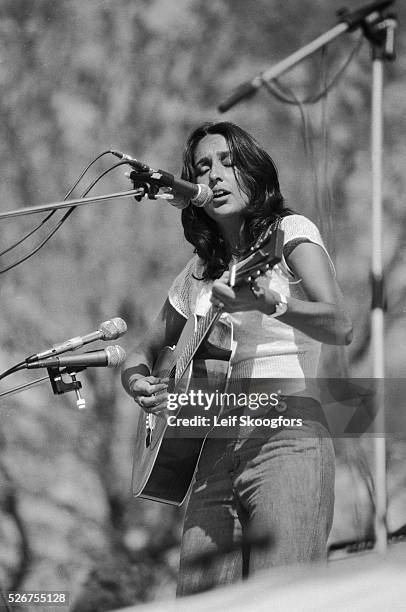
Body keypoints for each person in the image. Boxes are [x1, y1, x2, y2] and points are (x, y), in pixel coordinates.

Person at [121, 121, 353, 596]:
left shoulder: (289, 232)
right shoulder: (197, 273)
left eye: (228, 162)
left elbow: (340, 324)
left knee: (282, 598)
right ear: (193, 191)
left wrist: (274, 305)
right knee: (203, 600)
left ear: (252, 170)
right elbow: (141, 350)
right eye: (203, 168)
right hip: (211, 450)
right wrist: (137, 381)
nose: (216, 176)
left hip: (286, 436)